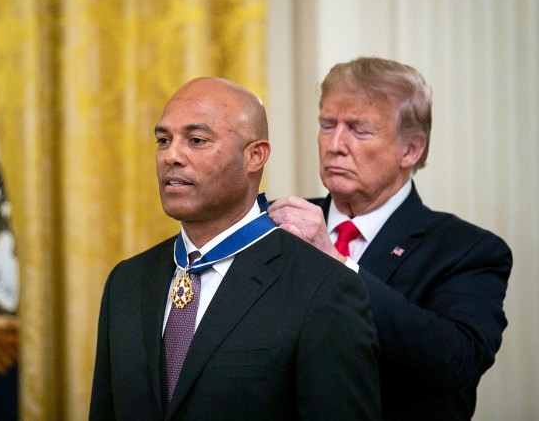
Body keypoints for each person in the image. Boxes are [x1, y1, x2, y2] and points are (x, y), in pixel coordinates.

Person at [89, 77, 381, 420]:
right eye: (163, 140)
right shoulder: (127, 281)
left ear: (255, 156)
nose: (171, 155)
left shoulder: (323, 287)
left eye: (196, 140)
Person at [267, 57, 512, 420]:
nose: (335, 144)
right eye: (327, 125)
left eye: (359, 130)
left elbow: (454, 361)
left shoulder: (467, 250)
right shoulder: (277, 224)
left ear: (411, 150)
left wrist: (338, 265)